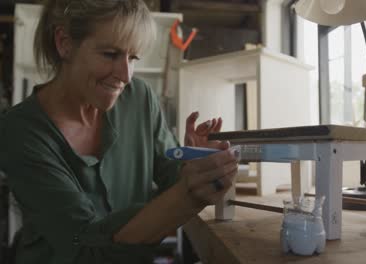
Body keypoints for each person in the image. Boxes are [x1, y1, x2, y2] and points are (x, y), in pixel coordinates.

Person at [0, 0, 238, 263]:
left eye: (132, 57)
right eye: (110, 54)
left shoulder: (140, 98)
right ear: (64, 43)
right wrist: (189, 194)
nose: (125, 75)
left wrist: (192, 164)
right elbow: (82, 244)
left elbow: (172, 175)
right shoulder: (20, 130)